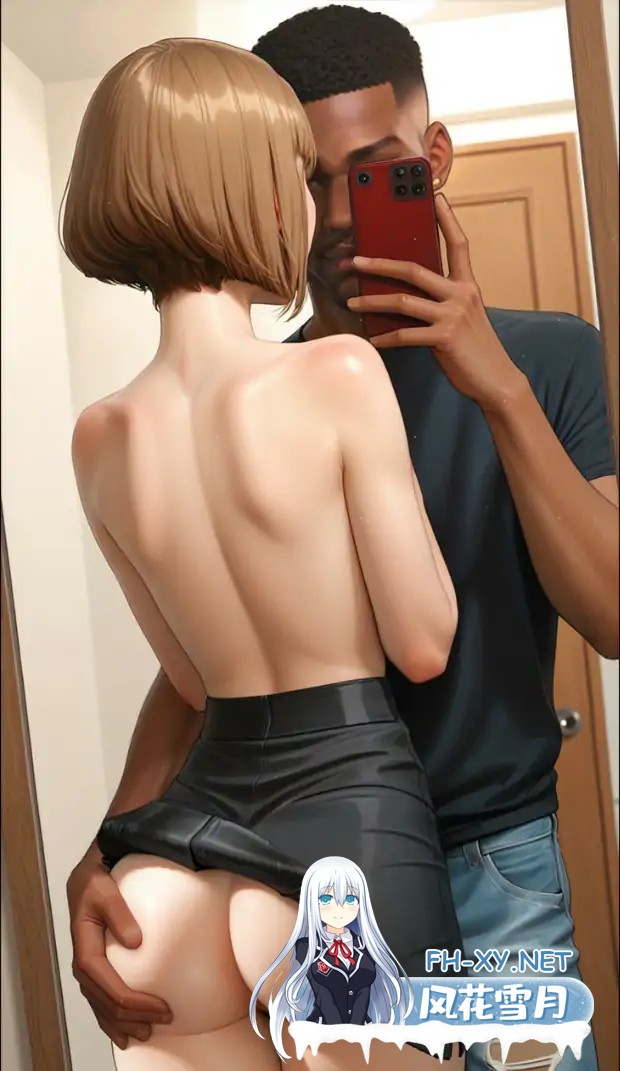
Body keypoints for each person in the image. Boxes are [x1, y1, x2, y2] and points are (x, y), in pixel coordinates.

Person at [66, 7, 618, 1070]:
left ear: (432, 160)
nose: (331, 215)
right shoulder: (278, 383)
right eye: (304, 178)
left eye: (369, 176)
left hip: (495, 860)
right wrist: (112, 842)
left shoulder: (550, 360)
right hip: (276, 861)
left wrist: (497, 390)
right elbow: (201, 680)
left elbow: (613, 618)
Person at [250, 856, 414, 1056]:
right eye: (326, 900)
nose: (339, 909)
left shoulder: (368, 946)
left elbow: (364, 993)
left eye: (350, 899)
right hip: (323, 1034)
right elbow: (323, 995)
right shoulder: (305, 947)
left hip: (364, 1038)